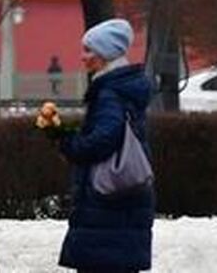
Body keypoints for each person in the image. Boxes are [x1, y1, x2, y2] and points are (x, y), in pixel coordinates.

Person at [56, 18, 154, 273]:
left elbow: (104, 139)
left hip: (105, 203)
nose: (83, 57)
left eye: (89, 50)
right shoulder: (124, 88)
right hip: (123, 205)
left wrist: (67, 142)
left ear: (106, 54)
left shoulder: (109, 92)